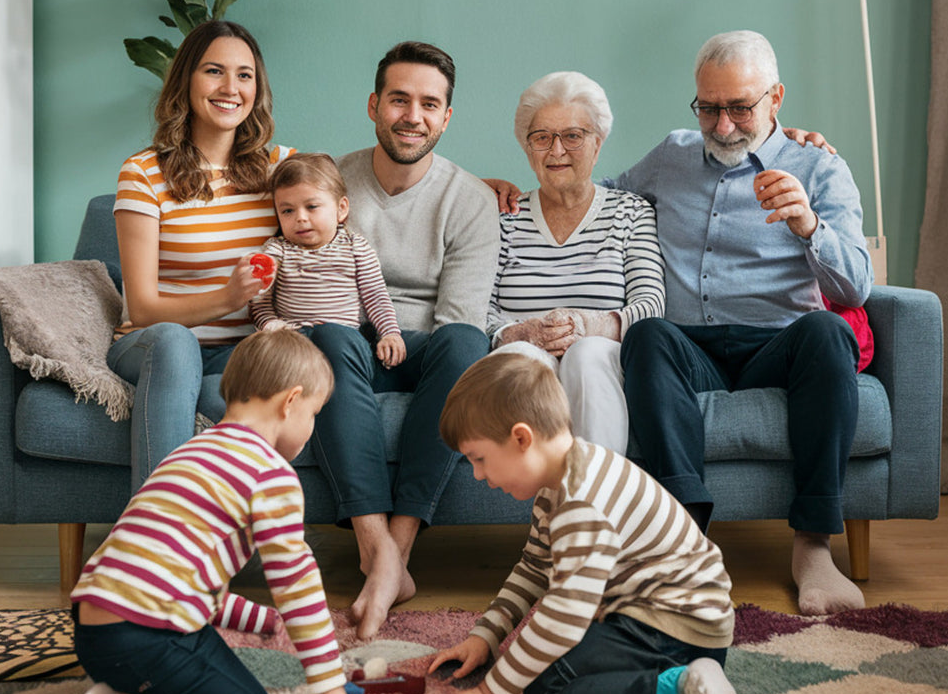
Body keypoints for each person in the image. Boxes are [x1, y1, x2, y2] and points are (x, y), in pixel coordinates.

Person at [37, 328, 397, 694]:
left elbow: (175, 576)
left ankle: (127, 685)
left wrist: (258, 620)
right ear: (291, 401)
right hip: (143, 639)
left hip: (93, 636)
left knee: (194, 651)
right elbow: (297, 586)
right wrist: (331, 691)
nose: (311, 427)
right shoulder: (270, 473)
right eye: (314, 413)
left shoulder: (190, 452)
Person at [616, 30, 872, 615]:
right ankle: (686, 543)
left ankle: (812, 548)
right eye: (709, 107)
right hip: (690, 348)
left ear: (776, 98)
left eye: (740, 107)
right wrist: (505, 195)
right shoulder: (670, 155)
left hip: (779, 345)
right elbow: (597, 200)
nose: (723, 124)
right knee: (647, 333)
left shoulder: (820, 168)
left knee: (828, 332)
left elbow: (856, 285)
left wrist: (809, 225)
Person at [427, 353, 743, 694]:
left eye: (479, 459)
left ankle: (678, 687)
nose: (478, 475)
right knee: (539, 661)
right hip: (663, 616)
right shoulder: (559, 482)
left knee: (547, 687)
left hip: (678, 628)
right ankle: (680, 673)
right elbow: (534, 568)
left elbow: (563, 618)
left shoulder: (581, 502)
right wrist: (486, 636)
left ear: (521, 438)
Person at [308, 41, 500, 640]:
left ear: (446, 117)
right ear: (374, 105)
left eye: (428, 104)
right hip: (349, 342)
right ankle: (377, 554)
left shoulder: (470, 199)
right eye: (399, 99)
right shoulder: (332, 183)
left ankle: (398, 548)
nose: (411, 116)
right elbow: (308, 277)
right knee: (333, 336)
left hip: (424, 349)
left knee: (466, 344)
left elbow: (459, 315)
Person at [108, 19, 293, 490]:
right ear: (186, 81)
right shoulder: (144, 173)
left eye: (245, 75)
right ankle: (156, 538)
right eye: (215, 71)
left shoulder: (279, 168)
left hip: (239, 352)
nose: (231, 88)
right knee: (175, 342)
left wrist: (473, 185)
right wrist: (227, 297)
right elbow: (144, 308)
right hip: (153, 345)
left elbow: (358, 188)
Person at [486, 71, 665, 453]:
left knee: (585, 354)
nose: (556, 151)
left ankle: (594, 503)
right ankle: (551, 500)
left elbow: (651, 306)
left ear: (597, 144)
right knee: (524, 359)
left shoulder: (630, 211)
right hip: (524, 354)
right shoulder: (505, 218)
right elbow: (476, 308)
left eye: (572, 136)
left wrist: (590, 325)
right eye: (541, 138)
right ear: (526, 147)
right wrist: (522, 332)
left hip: (602, 358)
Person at [249, 152, 406, 369]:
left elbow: (376, 296)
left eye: (312, 207)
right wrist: (271, 324)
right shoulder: (277, 251)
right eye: (287, 211)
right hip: (293, 344)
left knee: (337, 341)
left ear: (341, 209)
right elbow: (259, 301)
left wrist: (389, 333)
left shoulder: (355, 247)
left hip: (343, 341)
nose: (300, 218)